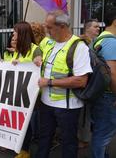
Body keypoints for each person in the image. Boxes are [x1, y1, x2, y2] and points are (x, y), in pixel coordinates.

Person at [36, 10, 92, 158]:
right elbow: (37, 50)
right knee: (44, 138)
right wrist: (37, 57)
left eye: (49, 27)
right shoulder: (49, 42)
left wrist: (49, 82)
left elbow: (81, 80)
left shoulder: (79, 47)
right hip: (46, 103)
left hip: (68, 107)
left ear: (62, 26)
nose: (47, 31)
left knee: (68, 143)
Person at [11, 22, 42, 158]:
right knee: (21, 122)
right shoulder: (18, 51)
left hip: (31, 97)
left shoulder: (36, 50)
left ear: (22, 33)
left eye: (15, 32)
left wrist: (36, 63)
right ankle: (21, 148)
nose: (13, 34)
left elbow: (39, 67)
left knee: (27, 124)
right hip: (19, 94)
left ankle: (25, 151)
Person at [91, 10, 116, 158]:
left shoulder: (97, 40)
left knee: (100, 130)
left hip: (98, 93)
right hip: (108, 95)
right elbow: (112, 73)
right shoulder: (111, 42)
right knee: (103, 135)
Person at [77, 19, 100, 149]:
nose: (98, 29)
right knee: (84, 113)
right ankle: (83, 140)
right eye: (95, 27)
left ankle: (84, 138)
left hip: (91, 84)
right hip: (85, 85)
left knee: (87, 113)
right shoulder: (83, 43)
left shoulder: (94, 42)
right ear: (87, 29)